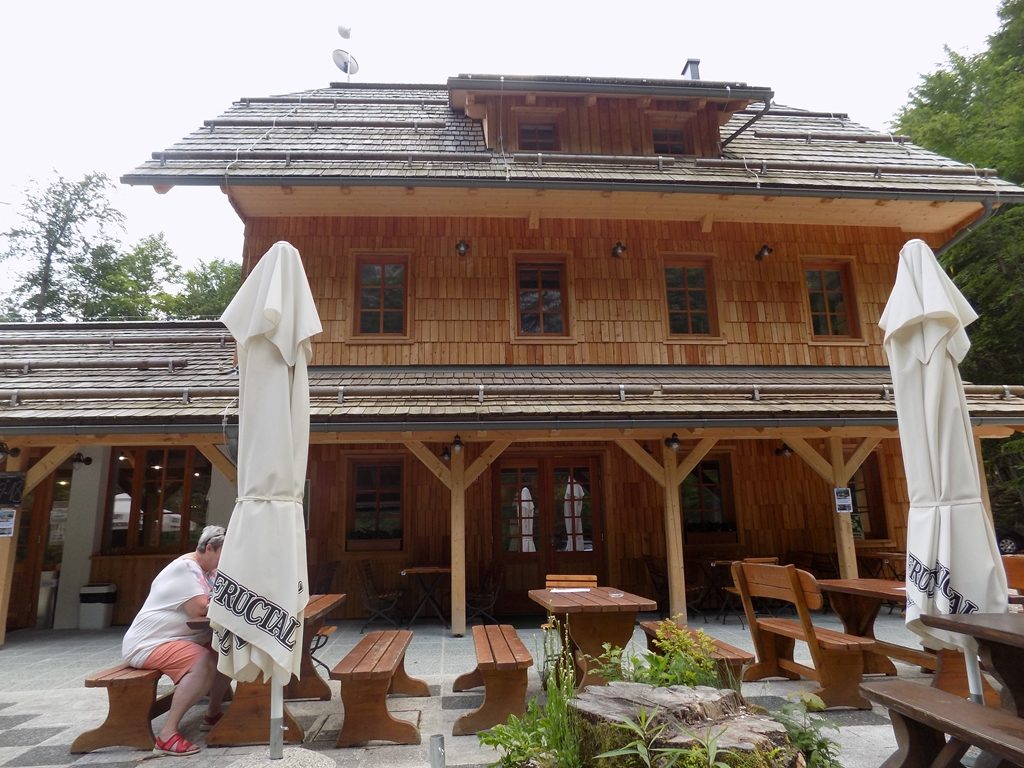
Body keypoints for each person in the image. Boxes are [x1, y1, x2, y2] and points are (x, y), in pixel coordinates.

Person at [122, 524, 232, 757]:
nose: (226, 561)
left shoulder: (209, 571)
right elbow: (199, 609)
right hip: (149, 643)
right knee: (202, 662)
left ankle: (212, 714)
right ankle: (167, 735)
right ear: (209, 548)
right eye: (224, 554)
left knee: (225, 650)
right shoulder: (185, 568)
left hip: (180, 639)